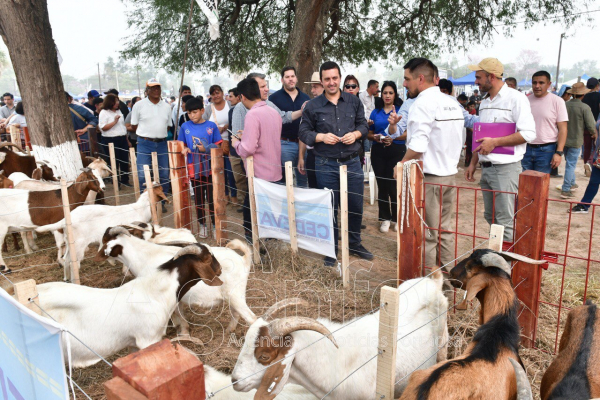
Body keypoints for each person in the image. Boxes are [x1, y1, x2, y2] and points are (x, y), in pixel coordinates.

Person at [299, 61, 373, 266]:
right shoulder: (312, 106)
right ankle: (330, 250)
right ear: (321, 81)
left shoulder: (354, 102)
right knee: (329, 208)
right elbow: (303, 133)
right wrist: (321, 137)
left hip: (352, 163)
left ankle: (355, 244)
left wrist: (356, 134)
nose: (331, 82)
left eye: (334, 78)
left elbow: (363, 126)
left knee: (356, 205)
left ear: (340, 78)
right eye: (327, 79)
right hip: (325, 164)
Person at [394, 58, 464, 272]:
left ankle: (430, 287)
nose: (404, 84)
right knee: (444, 231)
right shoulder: (452, 103)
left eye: (407, 79)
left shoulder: (422, 104)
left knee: (428, 234)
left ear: (420, 79)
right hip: (450, 175)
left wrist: (402, 163)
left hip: (431, 177)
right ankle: (451, 284)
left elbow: (418, 143)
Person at [464, 58, 536, 241]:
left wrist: (495, 142)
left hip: (506, 169)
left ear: (491, 76)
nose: (476, 82)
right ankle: (497, 258)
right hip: (486, 169)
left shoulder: (516, 98)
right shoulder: (486, 102)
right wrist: (473, 163)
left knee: (505, 221)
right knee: (491, 218)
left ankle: (507, 266)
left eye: (479, 77)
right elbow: (481, 136)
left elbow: (528, 133)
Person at [231, 78, 283, 242]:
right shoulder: (273, 111)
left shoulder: (252, 114)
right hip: (275, 169)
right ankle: (271, 239)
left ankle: (252, 238)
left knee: (252, 208)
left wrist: (236, 142)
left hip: (259, 172)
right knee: (271, 210)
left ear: (242, 97)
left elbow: (248, 149)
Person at [179, 97, 222, 237]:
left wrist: (206, 149)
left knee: (211, 197)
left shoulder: (211, 126)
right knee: (198, 198)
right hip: (194, 167)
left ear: (202, 110)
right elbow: (181, 144)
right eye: (189, 113)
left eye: (195, 112)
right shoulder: (185, 126)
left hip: (209, 167)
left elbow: (218, 145)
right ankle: (202, 225)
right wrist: (184, 149)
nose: (192, 115)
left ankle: (215, 225)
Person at [367, 81, 404, 232]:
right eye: (385, 93)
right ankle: (384, 218)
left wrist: (393, 137)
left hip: (397, 150)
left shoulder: (401, 111)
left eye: (390, 93)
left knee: (394, 185)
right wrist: (374, 137)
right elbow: (368, 133)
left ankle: (397, 218)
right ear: (381, 94)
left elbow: (408, 133)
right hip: (378, 151)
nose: (387, 96)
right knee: (382, 184)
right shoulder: (375, 112)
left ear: (395, 94)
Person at [130, 78, 173, 209]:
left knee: (164, 173)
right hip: (144, 142)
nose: (156, 90)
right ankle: (146, 203)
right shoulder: (138, 105)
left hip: (161, 143)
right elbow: (133, 125)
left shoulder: (166, 106)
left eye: (158, 87)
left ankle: (161, 200)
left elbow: (168, 126)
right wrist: (148, 134)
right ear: (147, 91)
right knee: (143, 174)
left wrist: (158, 135)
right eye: (152, 88)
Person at [269, 66, 311, 187]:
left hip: (303, 144)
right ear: (282, 80)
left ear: (296, 78)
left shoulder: (305, 98)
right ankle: (285, 205)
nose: (290, 79)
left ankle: (301, 205)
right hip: (284, 144)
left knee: (303, 178)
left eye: (292, 76)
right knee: (284, 178)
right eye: (287, 77)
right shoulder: (274, 98)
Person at [523, 71, 568, 174]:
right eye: (534, 83)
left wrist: (558, 153)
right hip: (525, 148)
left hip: (546, 150)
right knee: (523, 183)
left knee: (540, 185)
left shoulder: (557, 101)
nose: (537, 86)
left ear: (549, 84)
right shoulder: (525, 101)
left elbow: (563, 129)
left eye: (541, 83)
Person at [559, 82, 597, 199]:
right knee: (571, 164)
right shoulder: (584, 107)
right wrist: (594, 134)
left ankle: (571, 183)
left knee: (569, 163)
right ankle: (566, 189)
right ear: (583, 95)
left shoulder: (564, 105)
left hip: (562, 140)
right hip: (576, 140)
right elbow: (591, 125)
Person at [99, 94, 130, 187]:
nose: (117, 103)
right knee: (114, 161)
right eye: (115, 101)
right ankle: (116, 181)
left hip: (122, 138)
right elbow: (103, 128)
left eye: (117, 101)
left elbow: (122, 127)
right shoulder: (104, 112)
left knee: (124, 160)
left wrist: (127, 140)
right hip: (111, 139)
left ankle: (125, 180)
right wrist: (114, 121)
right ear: (110, 102)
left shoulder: (119, 111)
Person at [300, 72, 324, 188]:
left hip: (328, 154)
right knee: (313, 188)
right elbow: (303, 134)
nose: (313, 90)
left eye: (315, 87)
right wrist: (301, 157)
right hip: (312, 155)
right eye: (312, 87)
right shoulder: (307, 106)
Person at [223, 88, 239, 205]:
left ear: (238, 97)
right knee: (233, 174)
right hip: (234, 148)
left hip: (242, 148)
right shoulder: (231, 111)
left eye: (231, 96)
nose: (229, 98)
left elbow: (234, 132)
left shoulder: (236, 110)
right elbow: (231, 132)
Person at [582, 77, 600, 176]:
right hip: (596, 126)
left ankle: (586, 166)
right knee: (596, 147)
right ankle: (590, 164)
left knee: (587, 147)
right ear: (597, 86)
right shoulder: (599, 95)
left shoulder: (584, 97)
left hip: (585, 126)